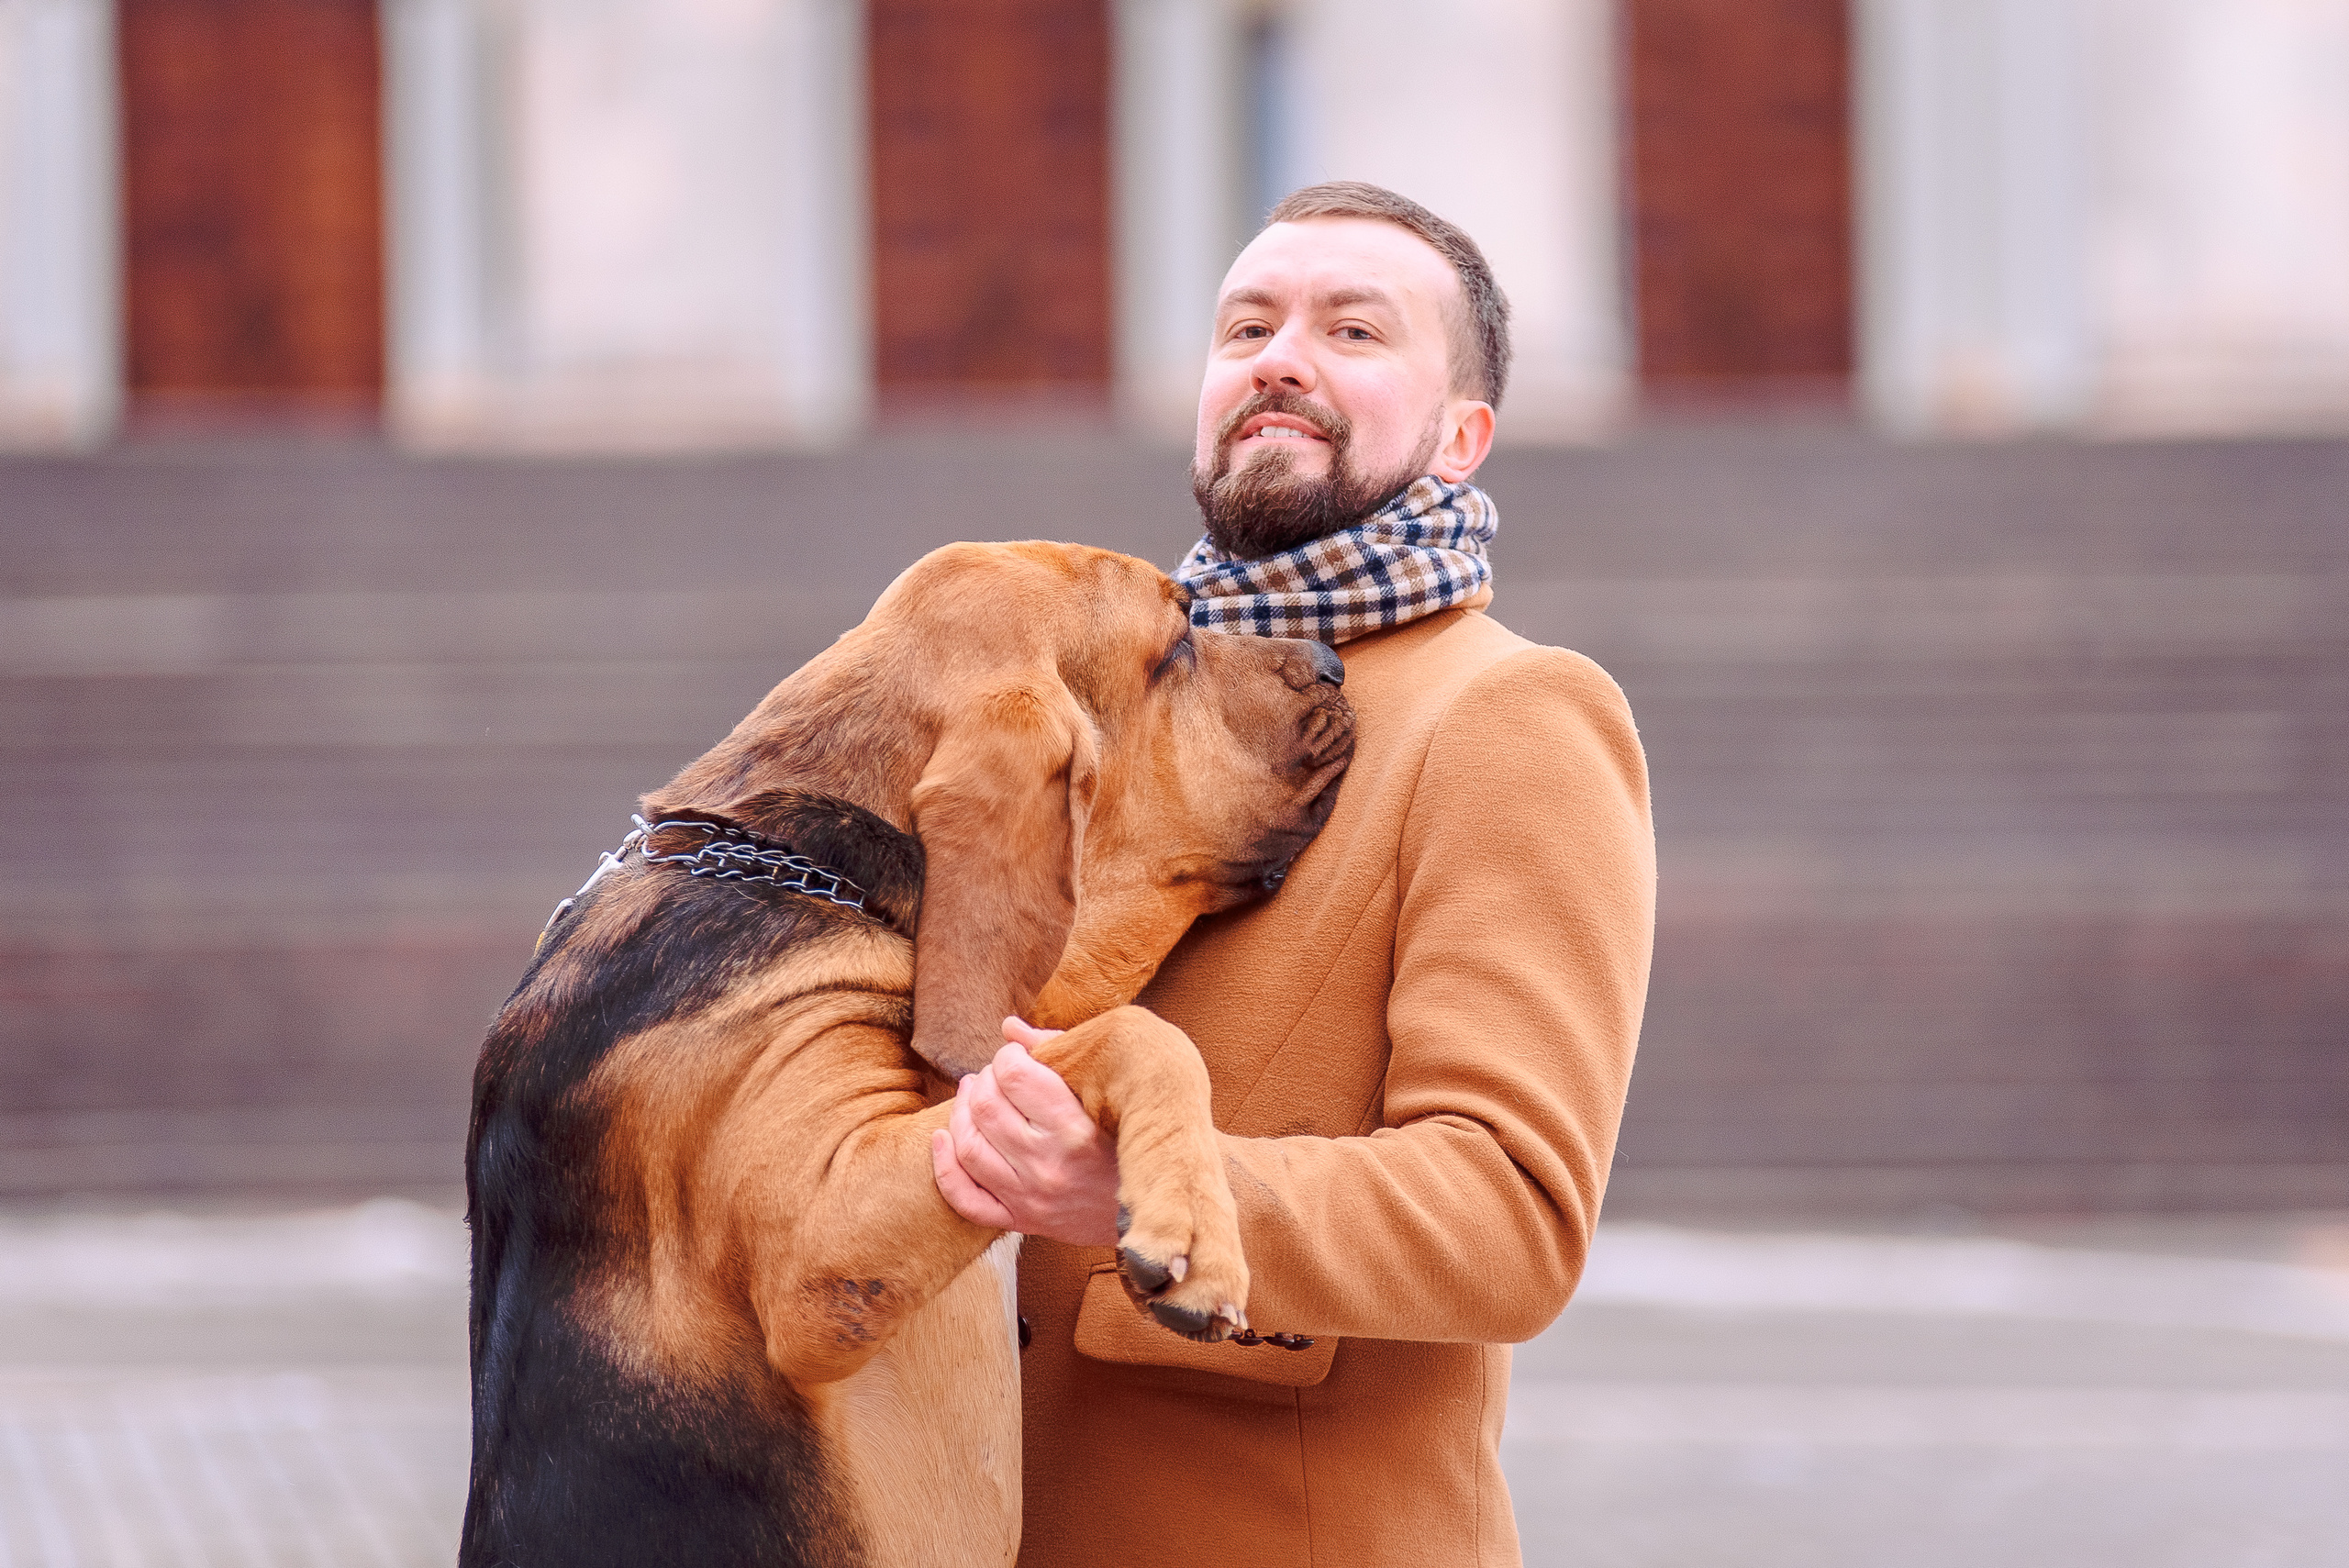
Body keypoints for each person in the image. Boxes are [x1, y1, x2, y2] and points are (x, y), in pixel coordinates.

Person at [930, 182, 1655, 1568]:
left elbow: (1514, 1210)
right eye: (1247, 325)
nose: (1279, 355)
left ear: (1461, 436)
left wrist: (1137, 1186)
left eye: (1354, 330)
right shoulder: (1100, 696)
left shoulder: (1513, 716)